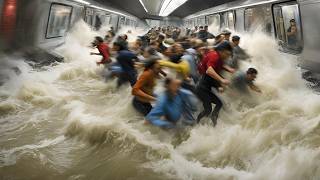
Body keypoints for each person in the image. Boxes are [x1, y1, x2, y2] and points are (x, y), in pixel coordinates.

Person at [196, 41, 235, 126]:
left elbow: (220, 66)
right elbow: (209, 70)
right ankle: (198, 123)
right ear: (222, 51)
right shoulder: (215, 56)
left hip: (206, 86)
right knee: (208, 109)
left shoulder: (219, 57)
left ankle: (213, 121)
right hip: (201, 88)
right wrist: (221, 81)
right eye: (227, 54)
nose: (228, 57)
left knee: (219, 103)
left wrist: (228, 69)